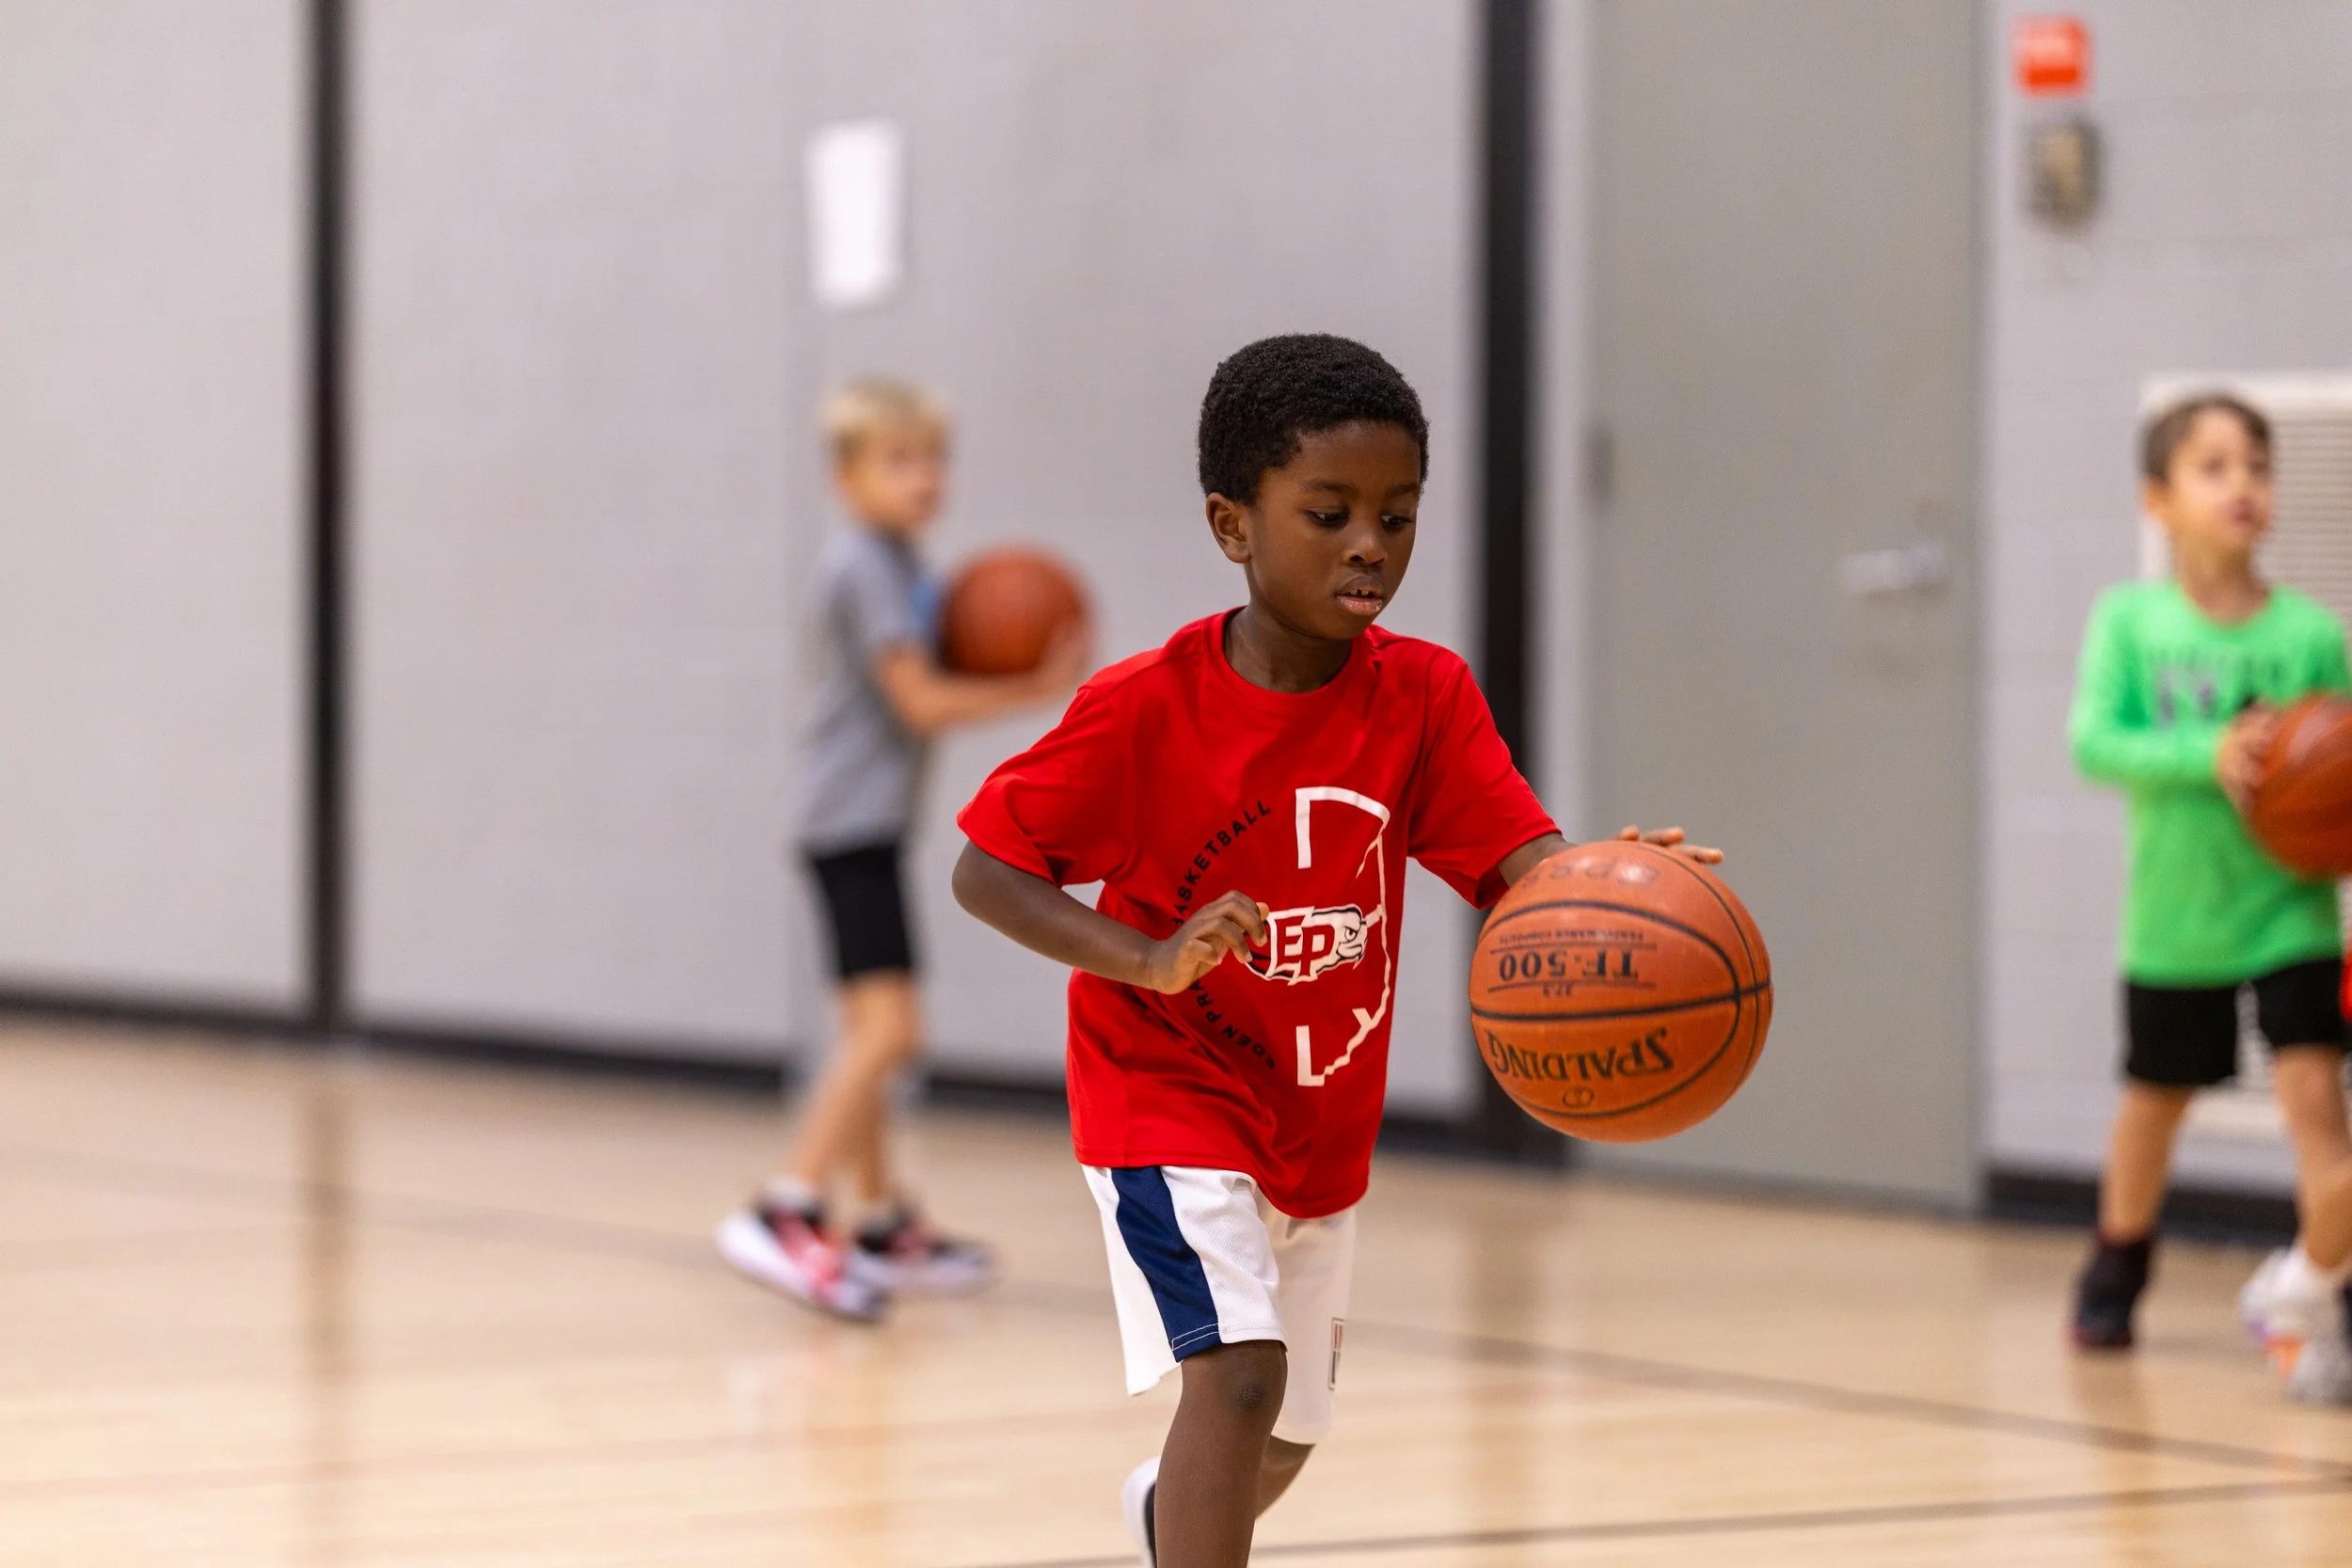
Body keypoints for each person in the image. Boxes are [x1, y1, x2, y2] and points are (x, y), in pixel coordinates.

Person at [949, 334, 1715, 1568]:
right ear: (1232, 524)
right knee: (1240, 1377)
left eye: (1397, 516)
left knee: (1285, 1433)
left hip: (1316, 1115)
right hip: (1164, 1088)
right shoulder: (1145, 708)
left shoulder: (1424, 696)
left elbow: (1515, 861)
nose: (1370, 544)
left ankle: (1163, 1515)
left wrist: (1610, 893)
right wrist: (1147, 957)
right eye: (1329, 513)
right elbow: (988, 869)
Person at [717, 379, 1087, 1321]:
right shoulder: (865, 565)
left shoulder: (898, 561)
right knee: (891, 1032)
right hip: (847, 825)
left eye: (932, 458)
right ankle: (785, 1205)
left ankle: (880, 1222)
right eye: (897, 460)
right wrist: (1038, 686)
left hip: (857, 825)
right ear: (844, 477)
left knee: (870, 1031)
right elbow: (917, 702)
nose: (924, 477)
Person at [2068, 391, 2352, 1404]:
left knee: (2317, 1105)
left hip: (2292, 909)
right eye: (2215, 465)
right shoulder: (2130, 619)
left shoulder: (2310, 634)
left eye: (2258, 467)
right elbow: (2093, 741)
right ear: (2158, 499)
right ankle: (2118, 1257)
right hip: (2176, 916)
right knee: (2156, 1100)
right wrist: (2211, 751)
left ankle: (2322, 1283)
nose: (2244, 484)